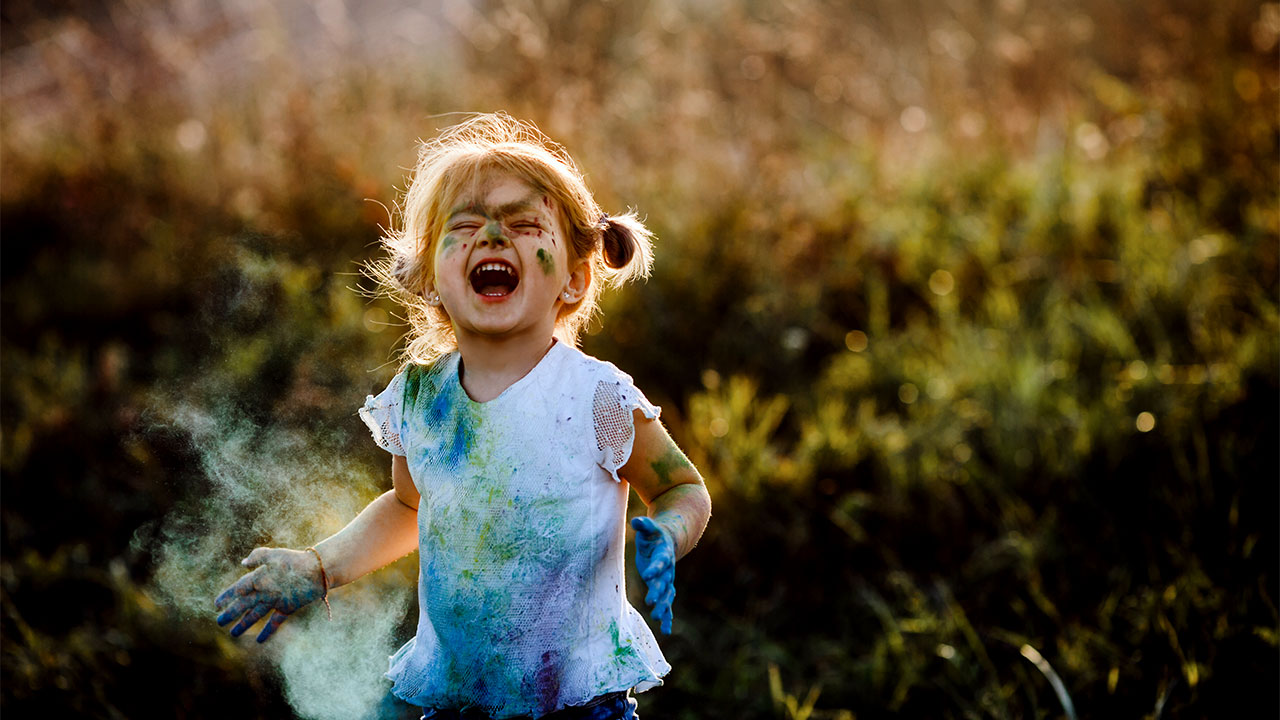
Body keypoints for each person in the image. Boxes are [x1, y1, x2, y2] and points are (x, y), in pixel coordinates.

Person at [213, 112, 712, 720]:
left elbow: (682, 486)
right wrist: (320, 566)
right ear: (427, 277)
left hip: (578, 702)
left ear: (576, 278)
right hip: (458, 701)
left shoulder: (593, 396)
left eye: (524, 223)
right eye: (466, 224)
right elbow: (406, 506)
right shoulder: (423, 398)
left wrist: (668, 535)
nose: (493, 237)